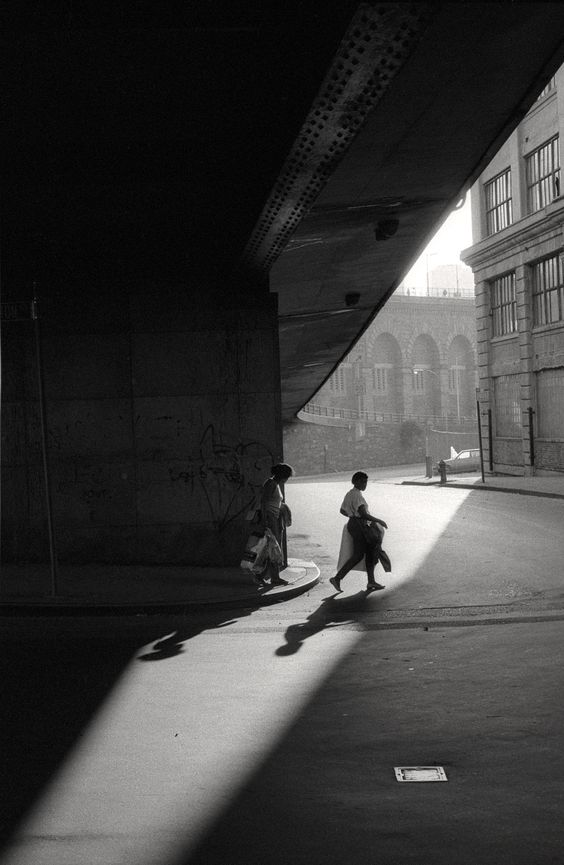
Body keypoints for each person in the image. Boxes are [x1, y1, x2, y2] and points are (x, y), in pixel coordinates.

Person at [330, 471, 388, 594]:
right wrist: (379, 521)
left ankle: (370, 581)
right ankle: (338, 578)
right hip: (360, 526)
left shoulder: (350, 493)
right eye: (362, 481)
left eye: (366, 482)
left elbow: (342, 510)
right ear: (355, 482)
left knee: (364, 553)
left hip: (353, 524)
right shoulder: (357, 495)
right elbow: (364, 514)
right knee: (365, 553)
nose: (364, 484)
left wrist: (351, 515)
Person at [258, 463, 294, 586]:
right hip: (270, 519)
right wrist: (265, 521)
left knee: (274, 549)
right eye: (287, 476)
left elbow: (273, 502)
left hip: (275, 518)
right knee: (271, 549)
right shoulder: (271, 484)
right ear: (282, 476)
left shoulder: (275, 484)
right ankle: (261, 576)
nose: (287, 479)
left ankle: (275, 577)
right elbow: (263, 503)